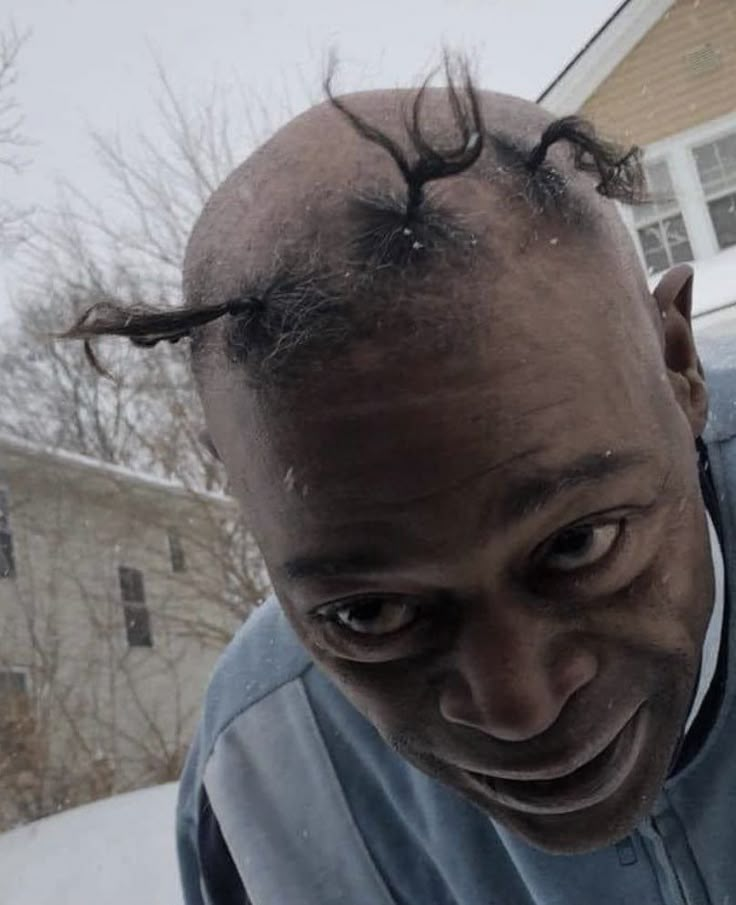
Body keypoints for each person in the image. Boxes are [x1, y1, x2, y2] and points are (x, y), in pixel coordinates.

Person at [63, 62, 736, 905]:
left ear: (678, 364)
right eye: (371, 614)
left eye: (577, 543)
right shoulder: (267, 786)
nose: (516, 703)